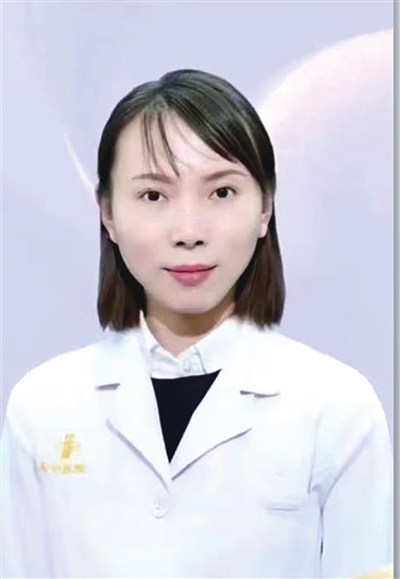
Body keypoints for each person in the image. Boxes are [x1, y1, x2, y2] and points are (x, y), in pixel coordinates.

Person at [1, 69, 393, 579]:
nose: (189, 232)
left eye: (222, 192)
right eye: (153, 196)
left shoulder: (339, 407)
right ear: (108, 214)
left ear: (266, 209)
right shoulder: (42, 405)